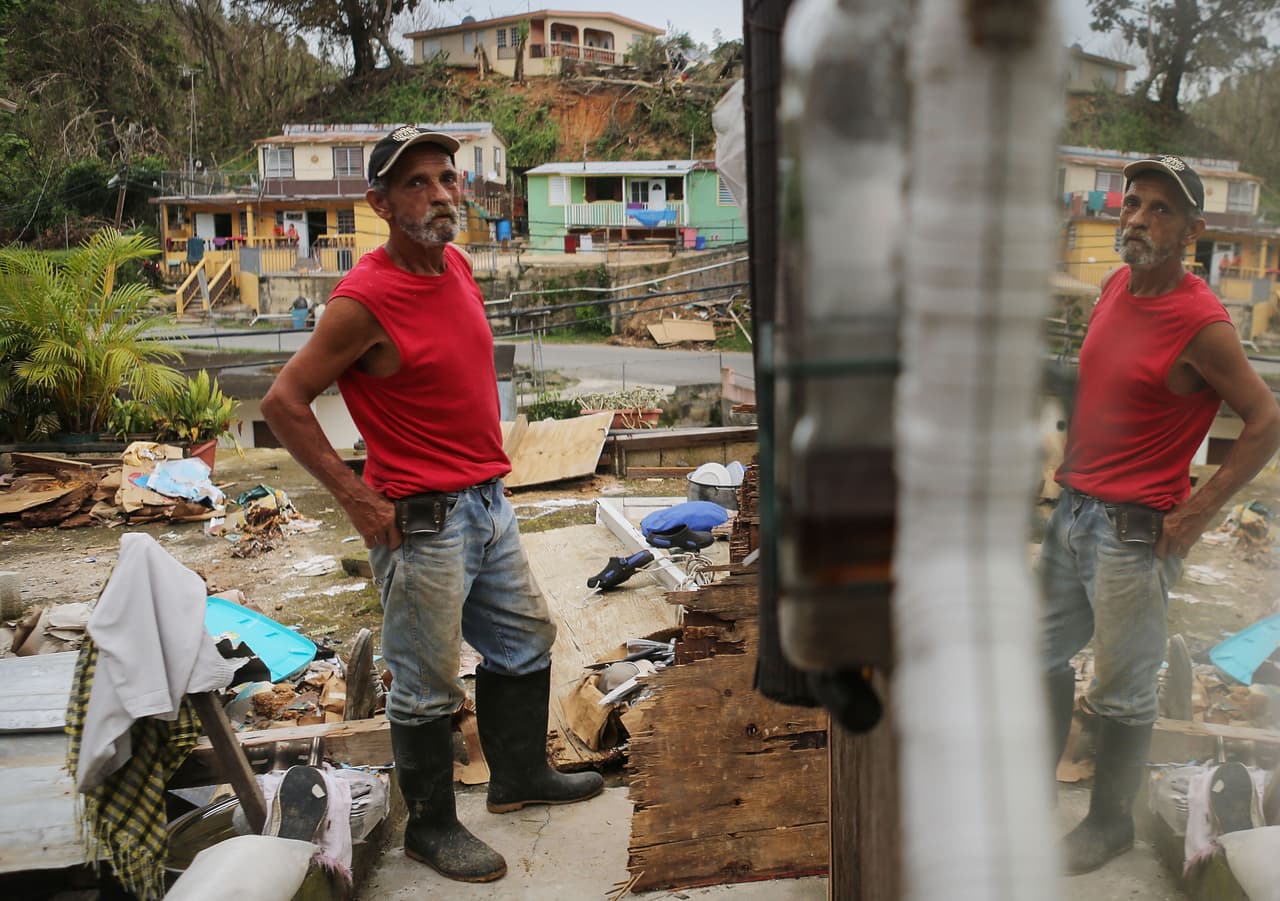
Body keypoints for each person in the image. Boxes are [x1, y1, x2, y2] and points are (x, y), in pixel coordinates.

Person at [261, 126, 602, 884]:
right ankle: (433, 828)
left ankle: (517, 778)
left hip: (487, 501)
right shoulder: (362, 301)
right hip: (421, 522)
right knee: (425, 680)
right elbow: (283, 401)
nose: (442, 192)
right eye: (418, 183)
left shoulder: (456, 266)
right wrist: (352, 495)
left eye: (447, 177)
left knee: (524, 639)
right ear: (379, 202)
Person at [1042, 155, 1280, 875]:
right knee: (1035, 652)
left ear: (1192, 230)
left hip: (1131, 533)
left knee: (1121, 685)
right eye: (1134, 202)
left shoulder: (1202, 321)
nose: (1139, 217)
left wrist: (1198, 514)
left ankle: (1110, 821)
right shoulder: (1116, 284)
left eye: (1161, 210)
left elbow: (1267, 418)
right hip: (1074, 512)